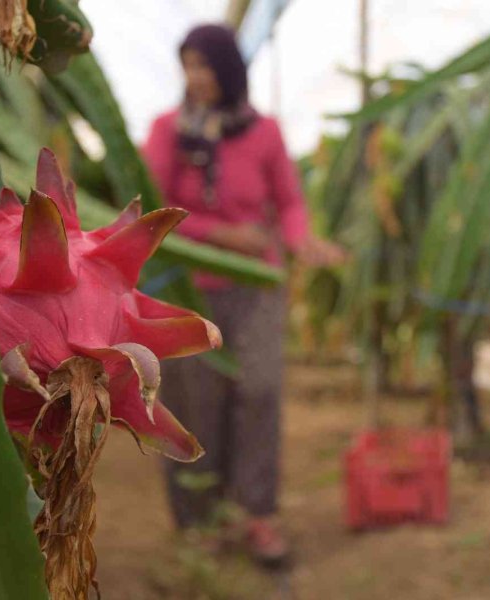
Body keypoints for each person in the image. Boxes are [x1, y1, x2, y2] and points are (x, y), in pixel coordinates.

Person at [141, 23, 343, 566]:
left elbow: (290, 202)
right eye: (188, 66)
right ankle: (200, 522)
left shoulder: (265, 132)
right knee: (194, 406)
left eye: (205, 65)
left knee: (259, 393)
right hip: (186, 292)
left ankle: (258, 514)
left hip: (257, 290)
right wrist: (221, 235)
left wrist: (302, 242)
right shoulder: (168, 131)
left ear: (229, 69)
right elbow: (152, 210)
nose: (195, 77)